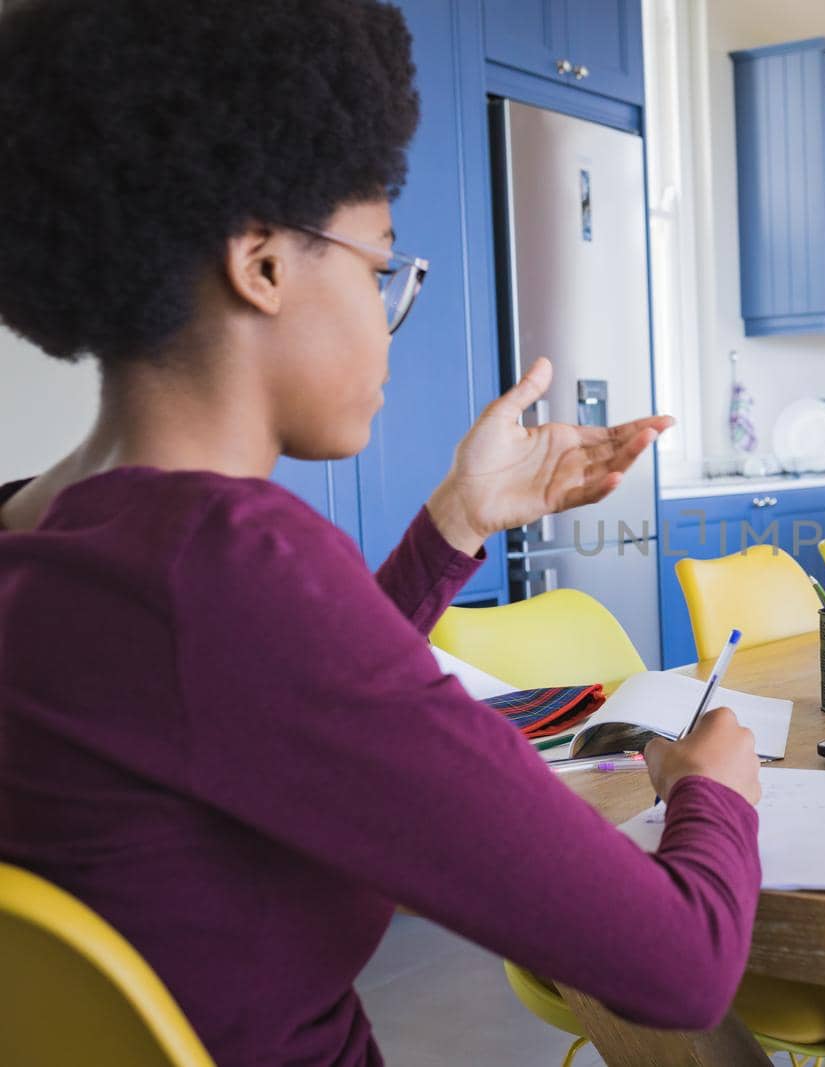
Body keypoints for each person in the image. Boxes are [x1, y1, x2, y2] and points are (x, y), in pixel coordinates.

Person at [0, 1, 762, 1064]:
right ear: (262, 264)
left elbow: (266, 700)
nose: (386, 310)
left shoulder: (44, 530)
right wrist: (713, 789)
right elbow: (684, 963)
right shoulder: (228, 561)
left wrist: (458, 518)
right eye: (377, 267)